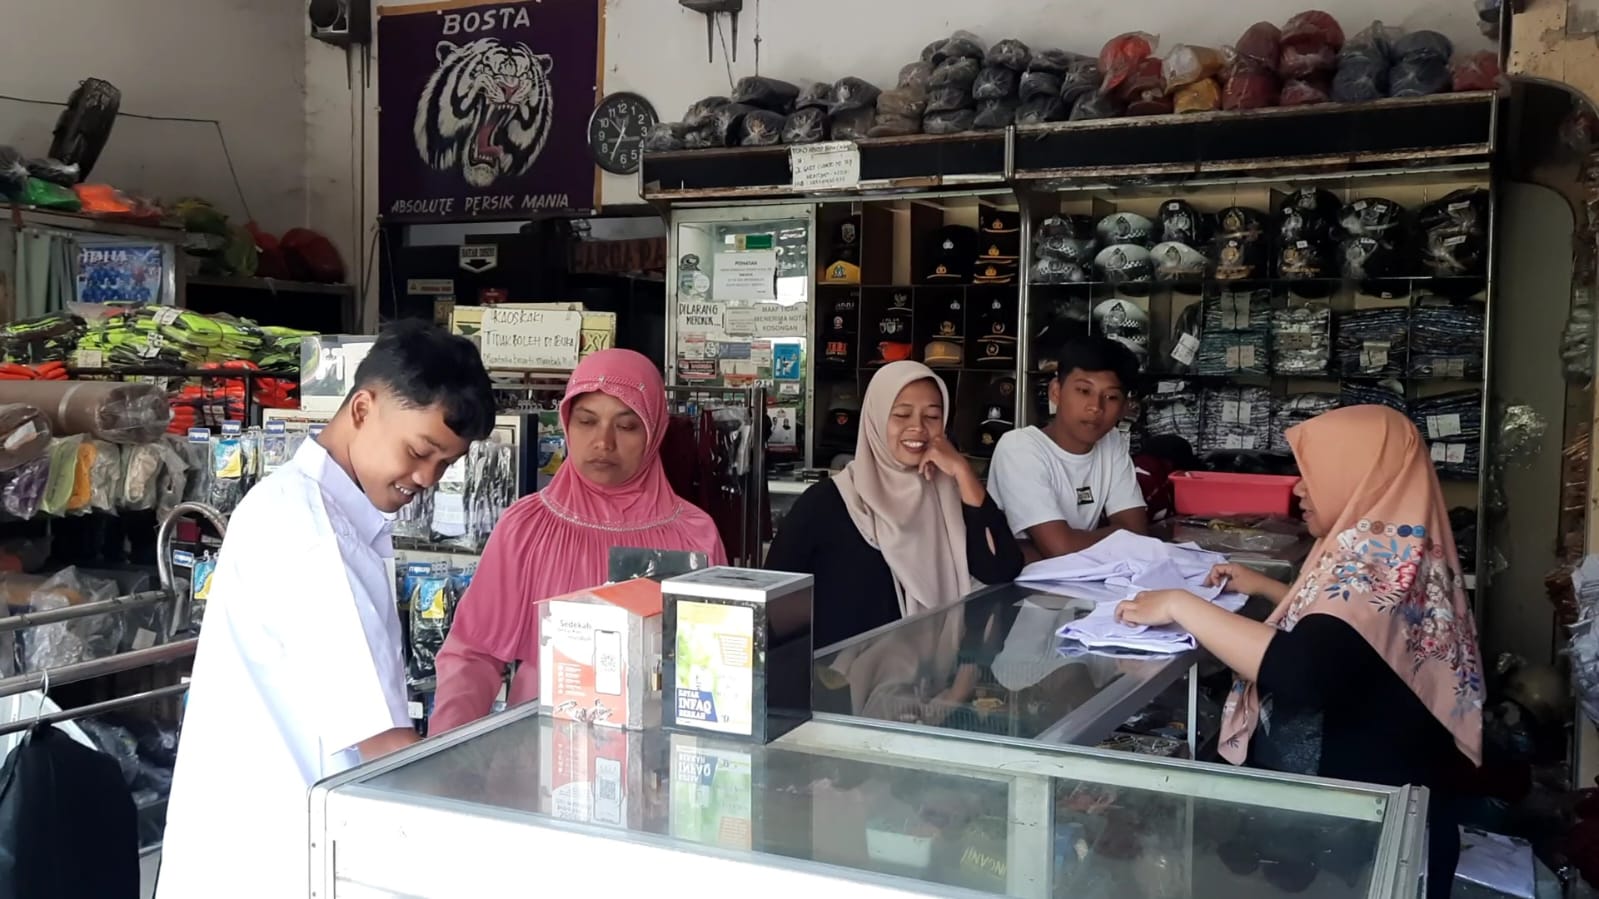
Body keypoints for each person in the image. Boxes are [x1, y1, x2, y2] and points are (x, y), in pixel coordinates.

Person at [157, 321, 496, 899]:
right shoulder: (317, 538)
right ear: (362, 408)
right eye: (419, 452)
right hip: (276, 859)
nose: (426, 479)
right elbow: (386, 749)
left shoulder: (297, 502)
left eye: (444, 464)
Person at [1115, 404, 1482, 897]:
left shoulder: (1372, 568)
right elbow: (1349, 634)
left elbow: (1302, 671)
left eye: (1312, 474)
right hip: (1374, 800)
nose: (1298, 489)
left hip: (1363, 832)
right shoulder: (1389, 546)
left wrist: (1181, 606)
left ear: (1359, 476)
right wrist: (1267, 588)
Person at [430, 349, 727, 733]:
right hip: (541, 751)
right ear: (567, 423)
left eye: (627, 426)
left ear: (655, 432)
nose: (603, 442)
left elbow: (716, 668)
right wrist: (447, 750)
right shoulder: (527, 528)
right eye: (587, 421)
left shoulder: (695, 535)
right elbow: (474, 654)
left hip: (662, 754)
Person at [764, 361, 1023, 649]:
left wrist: (963, 472)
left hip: (938, 673)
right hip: (842, 675)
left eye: (932, 416)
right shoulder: (827, 503)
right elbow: (771, 604)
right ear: (875, 419)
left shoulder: (948, 498)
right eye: (901, 414)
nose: (918, 427)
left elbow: (1002, 568)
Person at [986, 335, 1148, 560]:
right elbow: (1060, 548)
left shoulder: (1111, 441)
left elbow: (1138, 533)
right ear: (1056, 392)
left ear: (1123, 407)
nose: (1095, 407)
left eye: (1111, 397)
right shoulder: (1019, 447)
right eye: (1083, 391)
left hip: (1081, 577)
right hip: (1024, 583)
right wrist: (1118, 536)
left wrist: (1065, 544)